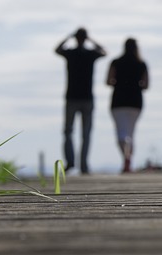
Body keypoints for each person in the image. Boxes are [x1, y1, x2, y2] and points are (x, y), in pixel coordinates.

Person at [55, 27, 106, 174]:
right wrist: (91, 40)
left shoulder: (71, 53)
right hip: (86, 98)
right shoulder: (90, 54)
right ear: (85, 38)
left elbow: (57, 49)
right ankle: (83, 165)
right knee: (86, 133)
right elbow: (103, 51)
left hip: (72, 97)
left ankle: (71, 163)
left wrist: (67, 37)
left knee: (68, 132)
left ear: (76, 38)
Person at [106, 38, 149, 173]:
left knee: (121, 133)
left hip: (118, 100)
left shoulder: (116, 62)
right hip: (135, 101)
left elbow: (108, 81)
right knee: (131, 132)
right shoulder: (141, 64)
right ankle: (128, 159)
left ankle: (126, 157)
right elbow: (146, 85)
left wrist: (119, 82)